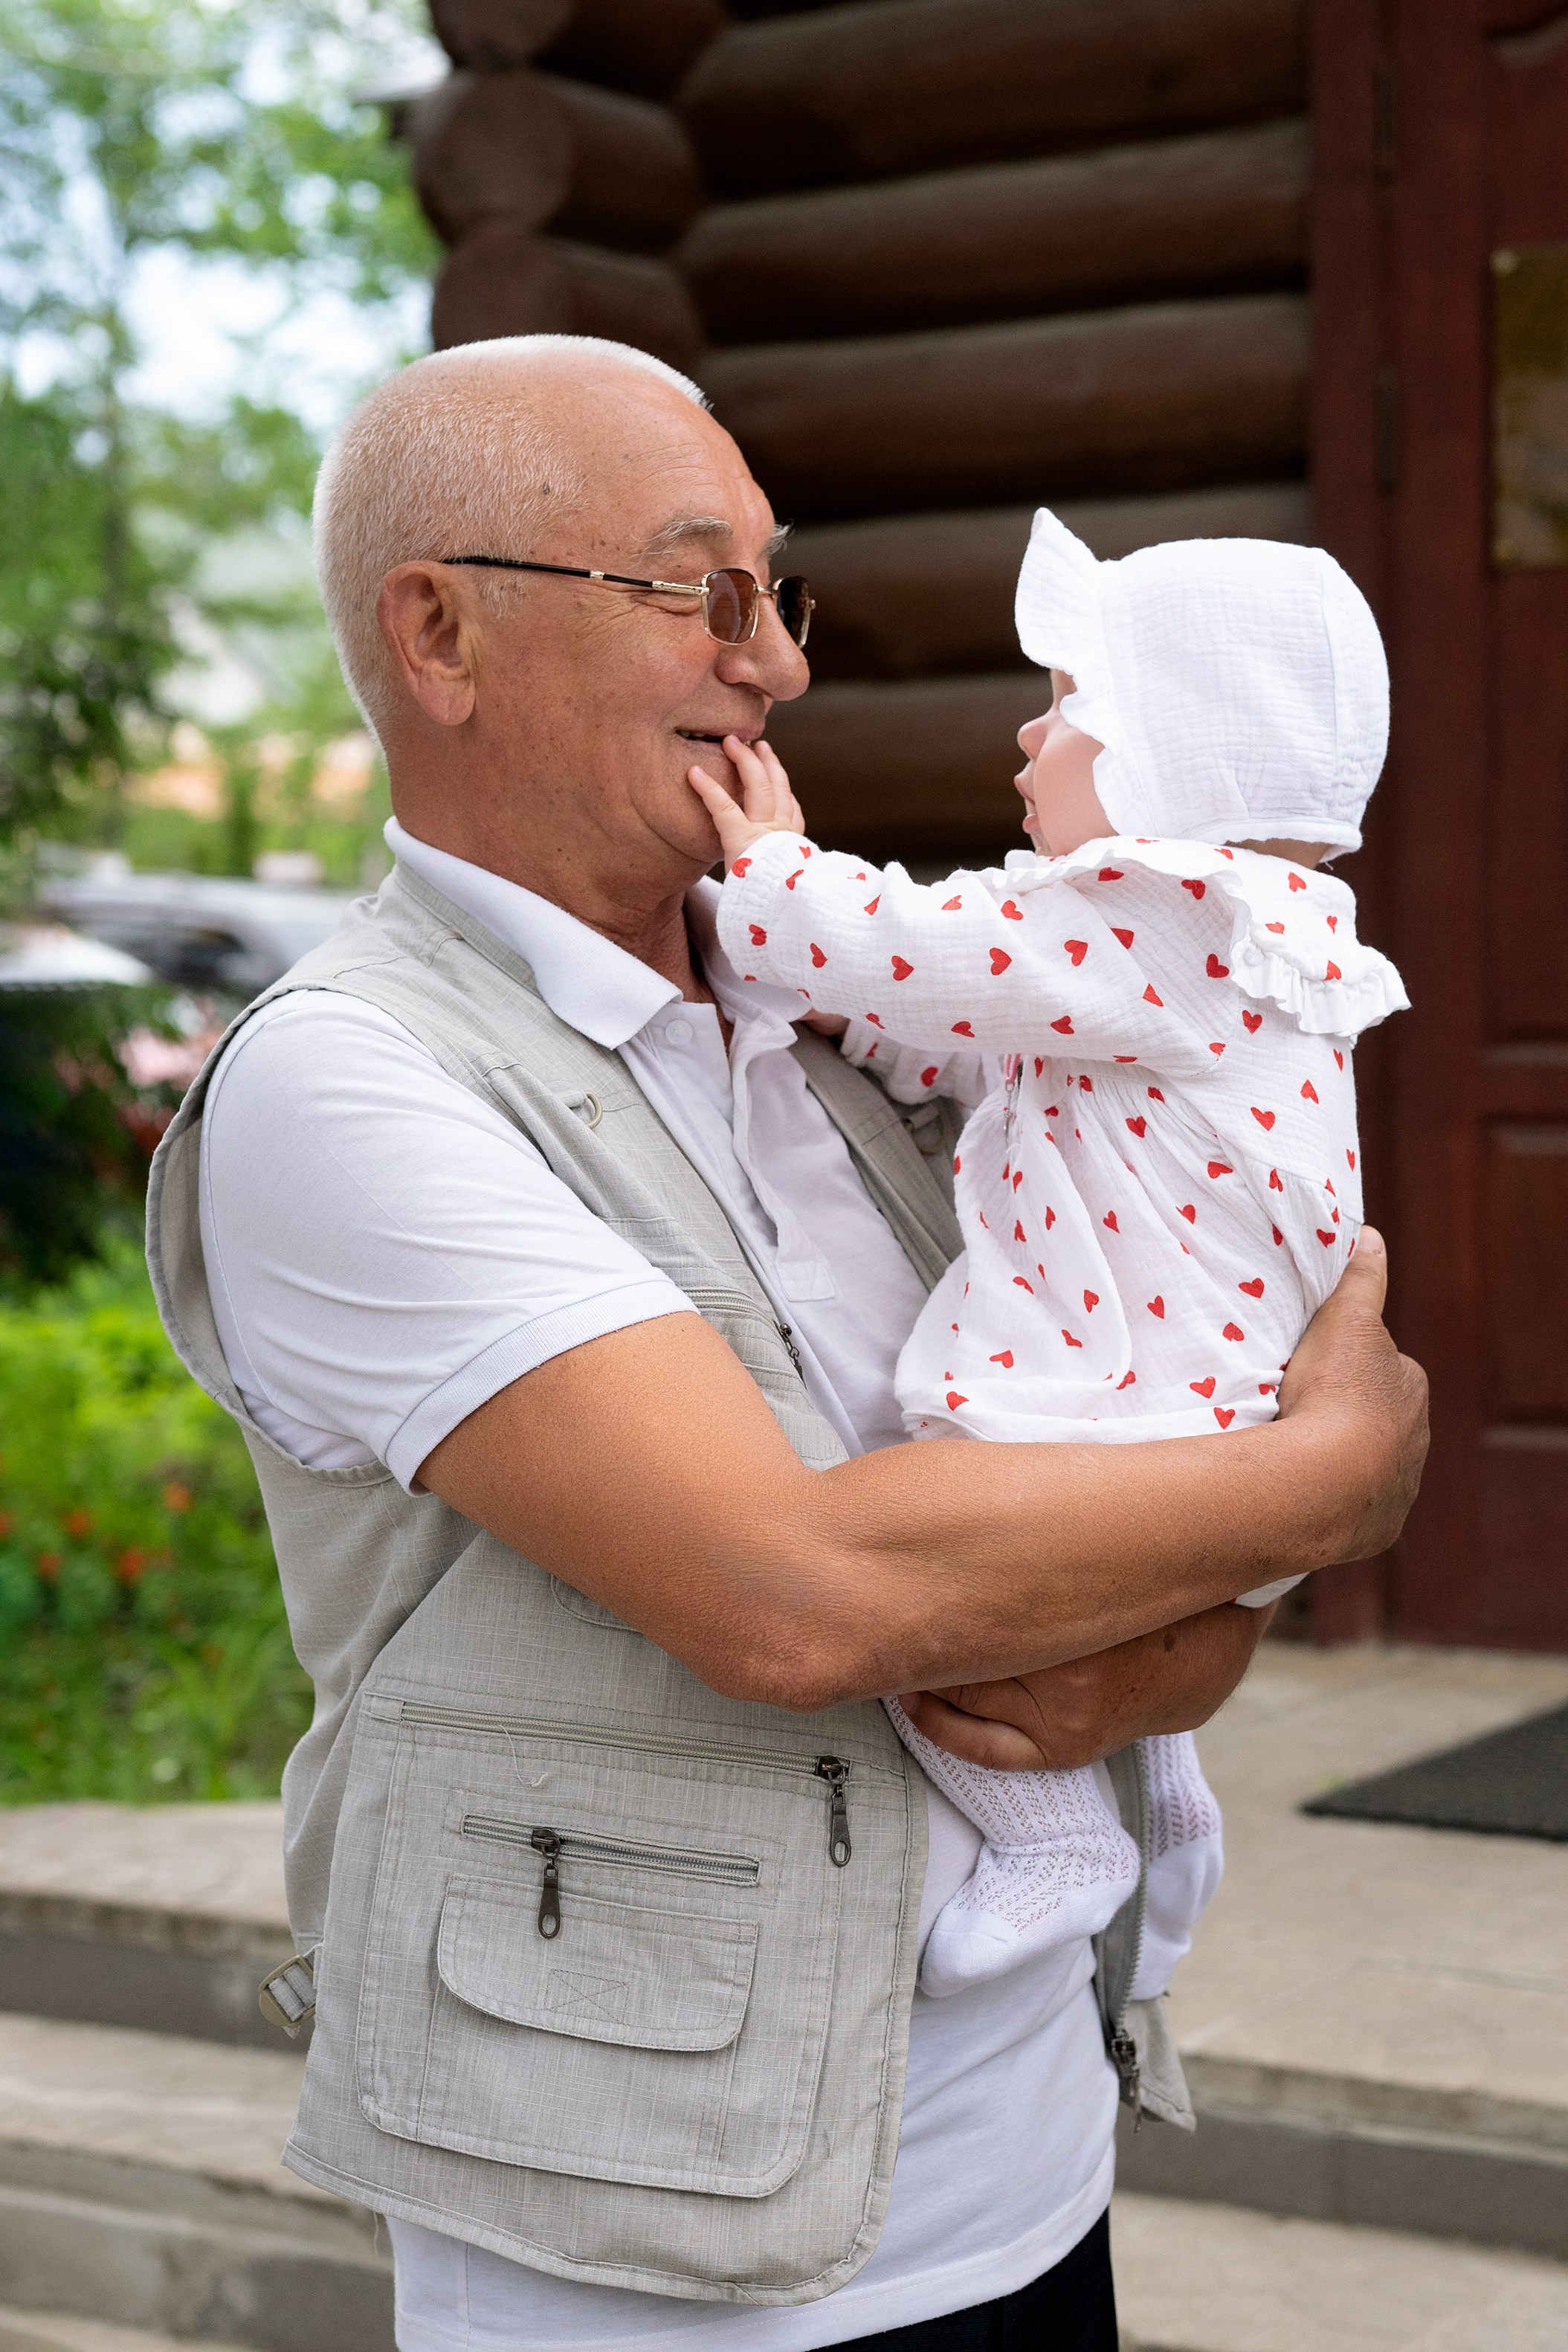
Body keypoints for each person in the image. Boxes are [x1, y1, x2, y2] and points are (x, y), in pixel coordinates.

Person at [146, 336, 1427, 2352]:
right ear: (440, 633)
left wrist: (1200, 1602)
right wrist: (1330, 1485)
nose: (778, 666)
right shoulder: (349, 1084)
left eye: (777, 591)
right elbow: (796, 1594)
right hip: (667, 2278)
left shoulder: (831, 1032)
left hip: (1028, 2176)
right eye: (697, 589)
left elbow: (1128, 1504)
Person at [689, 507, 1410, 1998]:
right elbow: (993, 1044)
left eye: (1069, 707)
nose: (1026, 737)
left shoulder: (1161, 912)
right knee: (1106, 1645)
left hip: (1105, 1401)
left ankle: (1054, 1845)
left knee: (925, 1598)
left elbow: (913, 951)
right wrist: (879, 1034)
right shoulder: (1233, 940)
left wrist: (774, 870)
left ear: (1175, 755)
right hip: (1210, 1404)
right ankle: (1171, 1808)